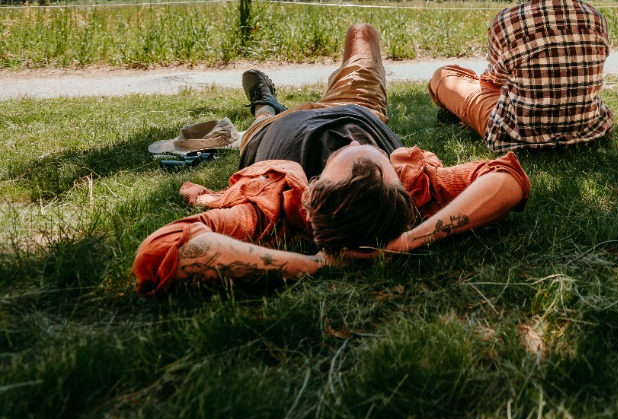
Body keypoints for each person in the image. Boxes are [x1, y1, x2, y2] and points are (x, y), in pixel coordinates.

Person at [132, 23, 530, 296]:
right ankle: (270, 104)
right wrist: (409, 241)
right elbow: (506, 176)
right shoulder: (412, 193)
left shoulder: (275, 202)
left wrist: (317, 264)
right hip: (357, 107)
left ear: (313, 190)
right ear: (401, 187)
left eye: (349, 163)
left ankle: (265, 103)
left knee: (262, 120)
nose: (363, 152)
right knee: (362, 34)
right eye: (377, 164)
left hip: (274, 131)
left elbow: (161, 250)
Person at [428, 0, 613, 151]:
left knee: (445, 75)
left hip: (516, 133)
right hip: (585, 127)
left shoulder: (508, 20)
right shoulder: (598, 20)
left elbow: (495, 79)